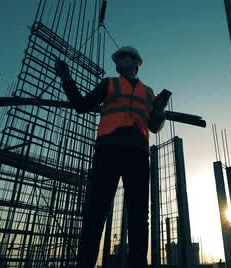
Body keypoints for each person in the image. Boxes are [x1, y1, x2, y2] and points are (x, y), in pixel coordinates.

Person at [55, 46, 168, 268]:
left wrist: (160, 110)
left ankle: (138, 264)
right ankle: (85, 264)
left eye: (124, 56)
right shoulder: (110, 83)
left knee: (138, 216)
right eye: (118, 58)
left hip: (137, 154)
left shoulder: (148, 92)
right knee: (96, 211)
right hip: (109, 151)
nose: (119, 60)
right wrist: (66, 77)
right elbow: (81, 105)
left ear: (136, 62)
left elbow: (155, 126)